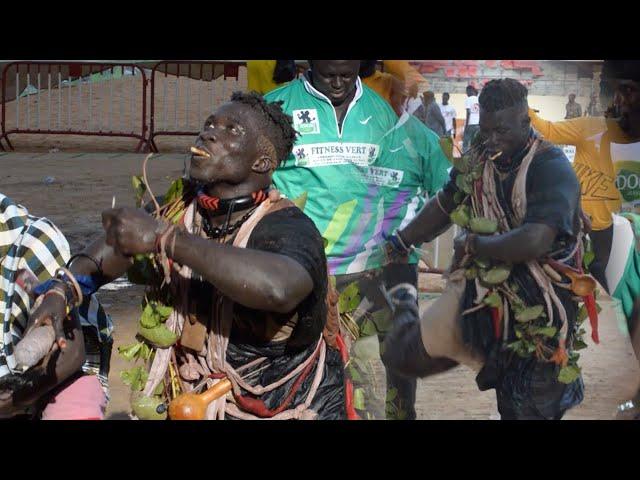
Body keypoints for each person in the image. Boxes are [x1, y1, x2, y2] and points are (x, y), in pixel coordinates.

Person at [27, 92, 347, 420]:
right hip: (194, 401)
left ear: (261, 162)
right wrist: (62, 291)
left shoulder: (288, 226)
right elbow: (116, 246)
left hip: (291, 406)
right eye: (209, 124)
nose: (209, 133)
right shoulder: (180, 209)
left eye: (231, 130)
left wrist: (164, 239)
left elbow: (277, 289)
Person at [382, 78, 587, 420]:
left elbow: (537, 239)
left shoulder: (551, 167)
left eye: (501, 131)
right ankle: (404, 295)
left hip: (540, 308)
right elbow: (448, 202)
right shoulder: (481, 151)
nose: (491, 140)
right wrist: (404, 241)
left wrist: (476, 244)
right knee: (406, 355)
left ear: (526, 122)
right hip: (482, 295)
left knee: (524, 406)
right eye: (486, 129)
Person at [266, 60, 449, 420]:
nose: (337, 84)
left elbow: (446, 189)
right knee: (304, 373)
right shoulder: (276, 109)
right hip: (301, 270)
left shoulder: (386, 118)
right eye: (328, 74)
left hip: (376, 270)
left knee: (386, 373)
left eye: (347, 76)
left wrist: (411, 237)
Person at [0, 193, 113, 419]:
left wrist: (9, 404)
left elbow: (71, 353)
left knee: (75, 403)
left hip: (44, 382)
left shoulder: (30, 242)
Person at [463, 85, 480, 151]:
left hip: (471, 124)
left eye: (467, 92)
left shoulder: (468, 99)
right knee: (475, 142)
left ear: (470, 91)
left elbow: (468, 112)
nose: (466, 94)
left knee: (466, 142)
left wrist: (466, 125)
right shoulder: (479, 99)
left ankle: (465, 157)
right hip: (478, 124)